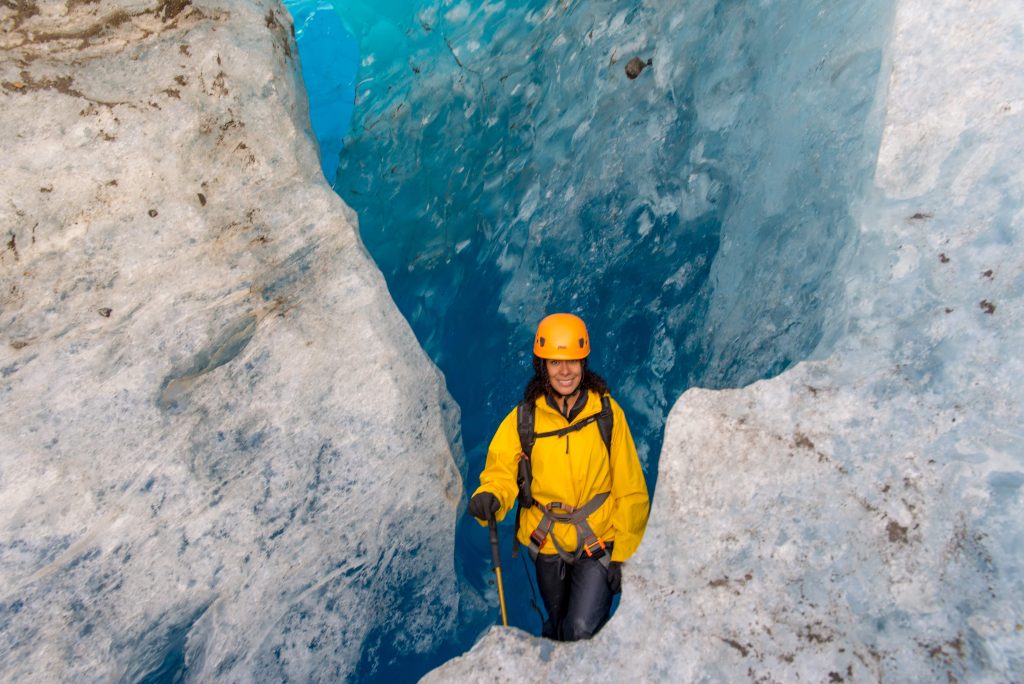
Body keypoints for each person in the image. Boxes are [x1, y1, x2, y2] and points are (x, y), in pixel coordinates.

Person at [468, 313, 650, 641]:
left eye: (572, 361)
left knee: (580, 629)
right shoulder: (524, 419)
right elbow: (501, 471)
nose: (564, 371)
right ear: (543, 366)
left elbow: (630, 487)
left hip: (598, 538)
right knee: (556, 627)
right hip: (546, 539)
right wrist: (491, 497)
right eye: (555, 362)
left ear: (584, 362)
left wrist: (623, 554)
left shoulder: (607, 414)